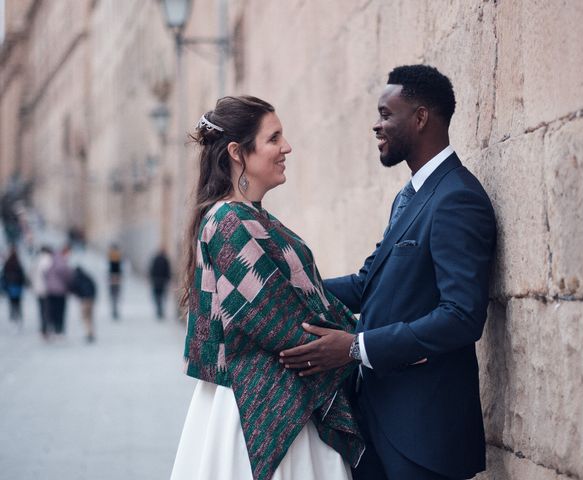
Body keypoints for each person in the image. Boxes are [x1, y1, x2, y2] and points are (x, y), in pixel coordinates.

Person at [280, 65, 497, 480]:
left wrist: (355, 347)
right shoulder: (409, 196)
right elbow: (368, 285)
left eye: (385, 114)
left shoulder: (457, 199)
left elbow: (462, 317)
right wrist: (287, 288)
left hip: (424, 436)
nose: (376, 126)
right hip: (377, 421)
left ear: (419, 118)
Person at [171, 96, 364, 480]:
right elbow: (280, 319)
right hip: (259, 404)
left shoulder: (251, 218)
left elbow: (303, 301)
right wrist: (362, 343)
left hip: (281, 394)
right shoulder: (228, 222)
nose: (286, 147)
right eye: (274, 138)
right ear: (237, 153)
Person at [45, 245, 73, 336]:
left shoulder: (51, 259)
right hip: (60, 290)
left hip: (50, 289)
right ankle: (59, 329)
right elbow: (65, 273)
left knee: (52, 310)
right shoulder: (60, 260)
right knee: (60, 311)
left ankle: (52, 328)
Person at [68, 266, 97, 343]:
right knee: (90, 317)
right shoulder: (87, 277)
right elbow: (94, 287)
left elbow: (73, 289)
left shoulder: (76, 279)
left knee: (85, 317)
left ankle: (88, 333)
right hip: (91, 299)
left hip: (84, 300)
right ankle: (91, 332)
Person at [2, 246, 27, 325]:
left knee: (12, 303)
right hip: (17, 286)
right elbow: (22, 275)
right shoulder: (18, 263)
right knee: (18, 302)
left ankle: (13, 317)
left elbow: (4, 275)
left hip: (10, 286)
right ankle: (19, 316)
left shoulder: (7, 263)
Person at [32, 245, 54, 338]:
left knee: (41, 310)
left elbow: (32, 275)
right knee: (47, 310)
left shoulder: (36, 260)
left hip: (38, 289)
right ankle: (46, 329)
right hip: (47, 289)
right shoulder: (48, 260)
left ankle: (43, 329)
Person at [148, 249, 171, 319]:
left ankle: (159, 309)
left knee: (157, 295)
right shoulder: (165, 260)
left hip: (156, 280)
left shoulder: (155, 259)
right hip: (163, 281)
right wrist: (168, 279)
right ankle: (160, 309)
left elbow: (151, 269)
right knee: (162, 295)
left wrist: (151, 278)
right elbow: (168, 270)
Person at [107, 244, 122, 319]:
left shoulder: (110, 256)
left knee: (113, 294)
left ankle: (114, 309)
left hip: (112, 277)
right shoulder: (118, 256)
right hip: (117, 277)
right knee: (116, 294)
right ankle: (115, 309)